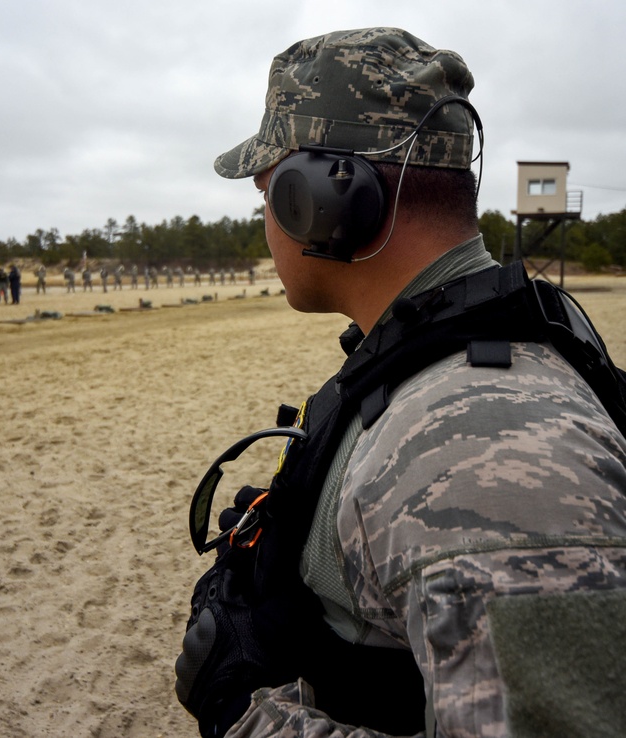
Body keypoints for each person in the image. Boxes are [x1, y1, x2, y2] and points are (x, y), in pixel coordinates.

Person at [175, 27, 626, 738]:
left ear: (318, 200)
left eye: (267, 190)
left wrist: (247, 715)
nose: (265, 218)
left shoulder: (478, 444)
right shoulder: (441, 361)